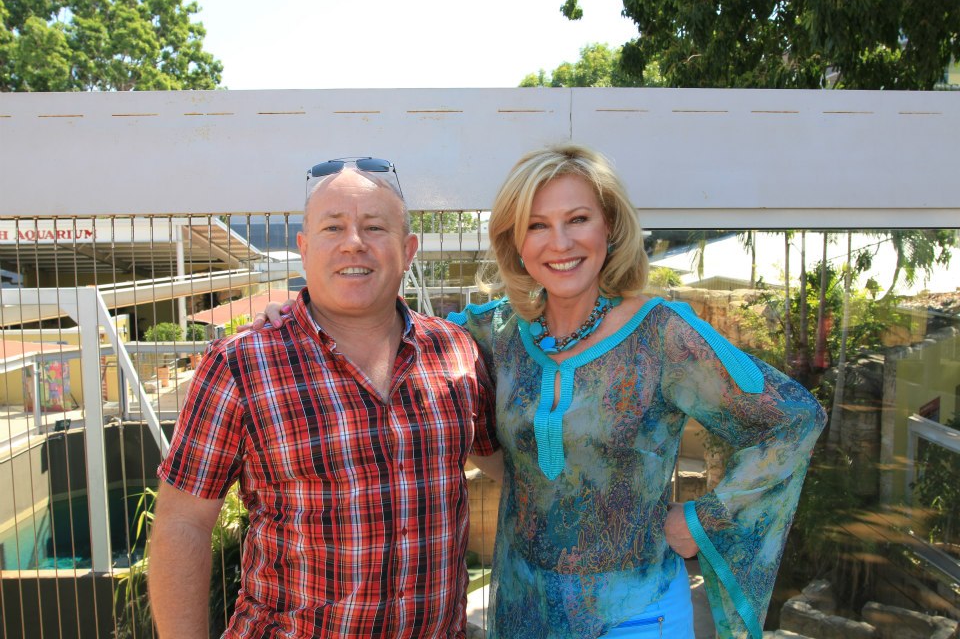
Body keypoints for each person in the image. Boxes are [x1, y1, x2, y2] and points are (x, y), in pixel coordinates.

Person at [254, 144, 826, 638]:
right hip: (522, 611)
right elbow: (395, 331)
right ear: (517, 242)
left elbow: (793, 418)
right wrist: (306, 319)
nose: (560, 242)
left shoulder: (662, 335)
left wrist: (704, 517)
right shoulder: (494, 334)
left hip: (634, 614)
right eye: (536, 225)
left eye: (577, 219)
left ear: (609, 228)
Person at [148, 158, 497, 638]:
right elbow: (182, 524)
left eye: (374, 227)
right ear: (305, 248)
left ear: (408, 250)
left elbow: (511, 465)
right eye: (333, 227)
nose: (354, 242)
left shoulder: (456, 352)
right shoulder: (241, 365)